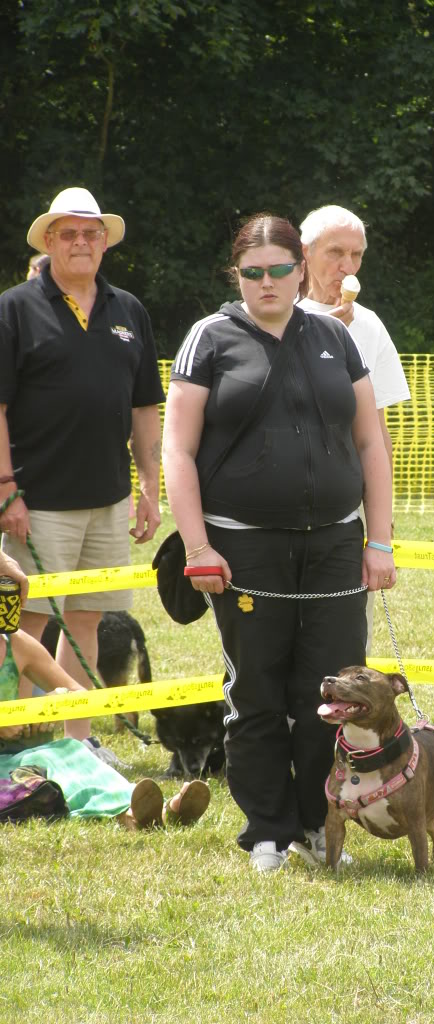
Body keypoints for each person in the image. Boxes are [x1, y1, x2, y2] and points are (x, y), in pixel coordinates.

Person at [162, 213, 394, 872]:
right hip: (242, 551)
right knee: (257, 691)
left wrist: (380, 541)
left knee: (331, 697)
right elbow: (177, 451)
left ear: (300, 269)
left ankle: (320, 826)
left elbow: (371, 441)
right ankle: (266, 830)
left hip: (334, 548)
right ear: (236, 276)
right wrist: (197, 546)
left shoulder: (334, 337)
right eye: (252, 272)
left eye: (279, 270)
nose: (267, 283)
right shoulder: (208, 338)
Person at [0, 187, 165, 755]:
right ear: (49, 241)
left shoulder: (129, 310)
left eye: (91, 234)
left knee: (88, 622)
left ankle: (79, 739)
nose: (80, 243)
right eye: (68, 233)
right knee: (26, 623)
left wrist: (149, 488)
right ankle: (14, 741)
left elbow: (145, 407)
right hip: (37, 500)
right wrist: (5, 490)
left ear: (105, 243)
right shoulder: (14, 307)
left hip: (109, 499)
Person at [298, 204, 410, 648]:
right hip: (272, 508)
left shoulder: (368, 326)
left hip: (342, 511)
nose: (347, 266)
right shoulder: (269, 313)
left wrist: (381, 521)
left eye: (357, 255)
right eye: (335, 253)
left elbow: (376, 431)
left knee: (338, 638)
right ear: (305, 253)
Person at [0, 626, 210, 828]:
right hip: (10, 768)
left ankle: (146, 810)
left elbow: (79, 694)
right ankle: (144, 815)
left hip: (26, 758)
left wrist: (56, 699)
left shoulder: (16, 643)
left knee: (72, 750)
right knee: (51, 765)